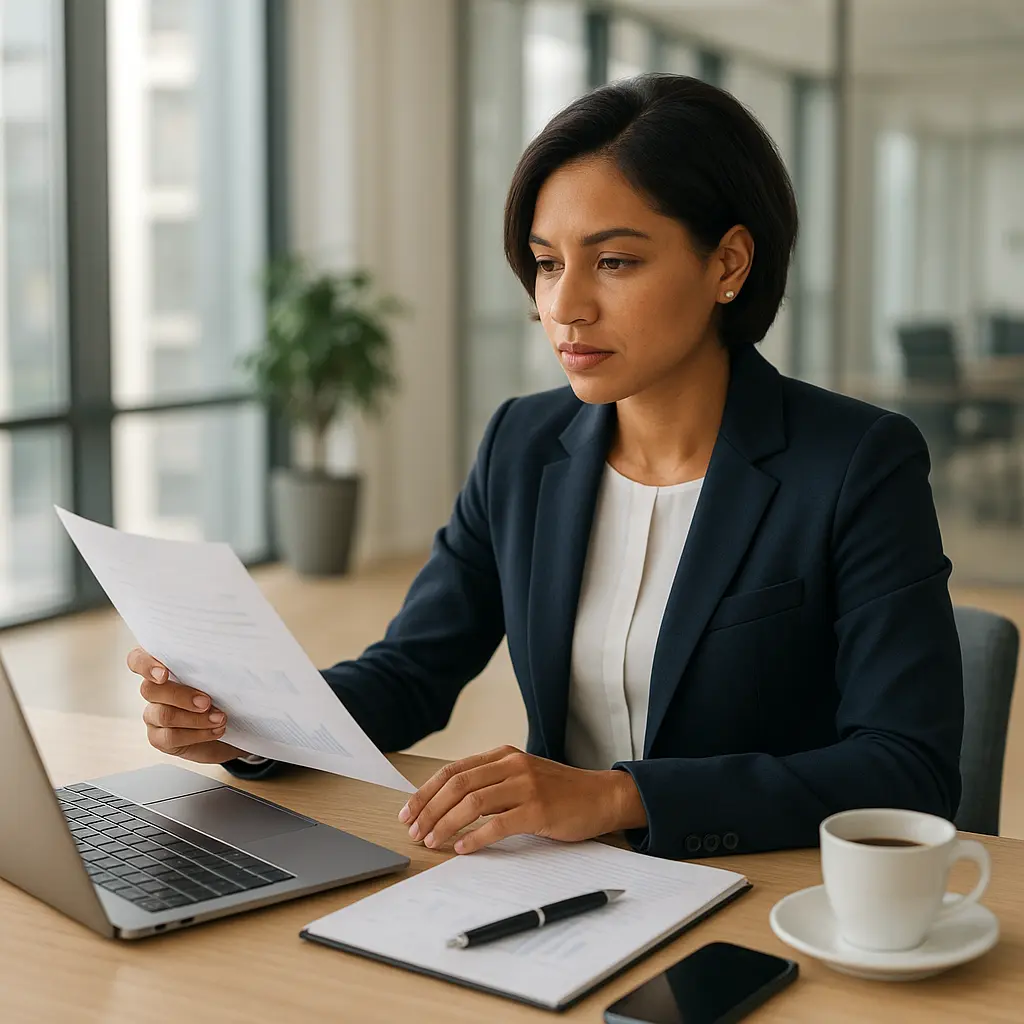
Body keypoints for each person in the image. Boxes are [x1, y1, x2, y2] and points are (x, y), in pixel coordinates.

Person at [128, 74, 963, 862]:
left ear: (728, 265)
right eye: (548, 261)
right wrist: (252, 722)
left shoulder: (857, 463)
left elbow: (908, 769)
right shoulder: (524, 444)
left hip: (767, 894)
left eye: (615, 261)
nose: (563, 306)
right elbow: (413, 670)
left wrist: (617, 797)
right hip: (558, 886)